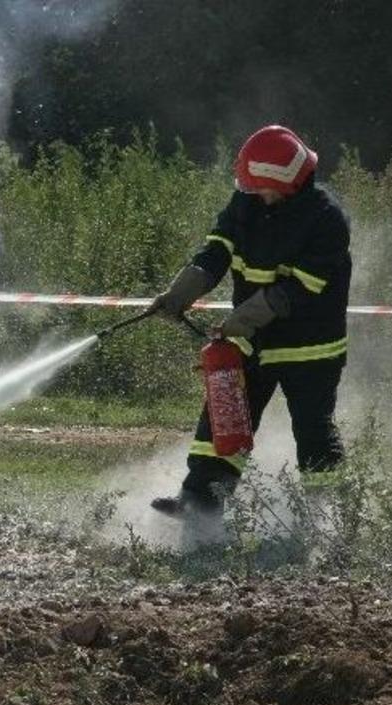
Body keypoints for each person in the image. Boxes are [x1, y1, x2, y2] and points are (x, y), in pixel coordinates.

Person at [149, 125, 352, 516]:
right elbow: (215, 252)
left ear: (285, 183)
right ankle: (199, 503)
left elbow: (297, 290)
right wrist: (180, 294)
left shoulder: (327, 220)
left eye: (260, 186)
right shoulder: (246, 203)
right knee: (222, 419)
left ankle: (328, 521)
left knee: (313, 433)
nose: (253, 193)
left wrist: (242, 319)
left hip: (310, 349)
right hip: (252, 342)